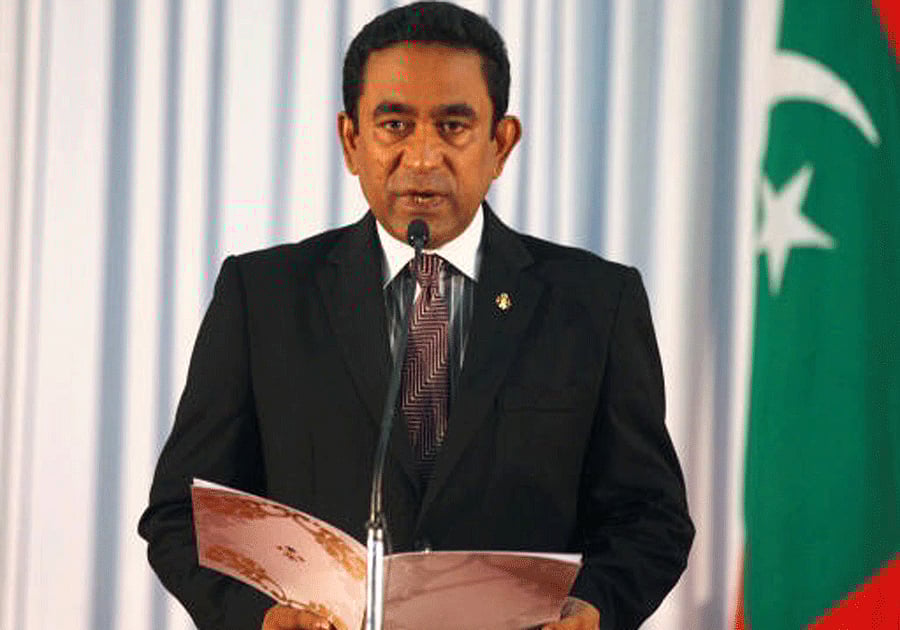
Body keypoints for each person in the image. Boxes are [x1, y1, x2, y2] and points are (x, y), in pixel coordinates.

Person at [138, 3, 694, 629]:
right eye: (394, 124)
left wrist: (595, 608)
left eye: (454, 126)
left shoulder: (595, 302)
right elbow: (181, 514)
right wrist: (260, 618)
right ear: (351, 140)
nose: (423, 156)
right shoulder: (264, 296)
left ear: (500, 143)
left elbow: (650, 516)